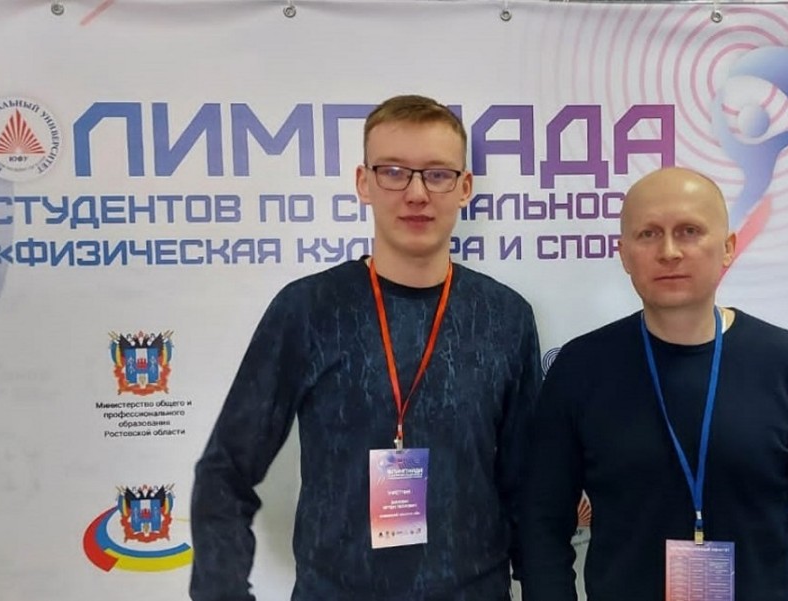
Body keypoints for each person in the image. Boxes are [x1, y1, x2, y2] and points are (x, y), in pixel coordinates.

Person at [190, 94, 542, 601]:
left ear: (464, 187)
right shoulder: (309, 309)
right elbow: (225, 471)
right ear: (364, 183)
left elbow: (527, 486)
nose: (417, 193)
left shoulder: (505, 317)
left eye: (437, 174)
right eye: (394, 172)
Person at [520, 167, 788, 600]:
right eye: (648, 234)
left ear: (728, 248)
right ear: (624, 254)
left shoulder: (787, 365)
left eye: (689, 231)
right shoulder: (581, 368)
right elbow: (541, 528)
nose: (669, 251)